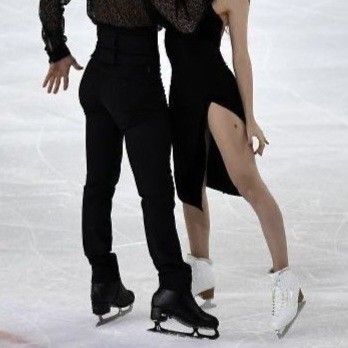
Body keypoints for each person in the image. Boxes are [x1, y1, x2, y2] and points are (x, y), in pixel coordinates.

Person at [38, 0, 219, 338]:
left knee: (99, 184)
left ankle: (103, 279)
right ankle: (172, 288)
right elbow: (186, 19)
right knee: (156, 194)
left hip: (98, 78)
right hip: (137, 82)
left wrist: (56, 48)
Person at [151, 0, 306, 337]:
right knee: (190, 187)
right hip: (181, 97)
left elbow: (241, 56)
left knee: (250, 184)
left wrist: (250, 118)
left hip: (215, 95)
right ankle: (201, 272)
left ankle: (287, 280)